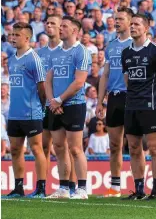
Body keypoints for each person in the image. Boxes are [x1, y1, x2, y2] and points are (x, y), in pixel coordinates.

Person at [121, 14, 156, 200]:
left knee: (154, 148)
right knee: (134, 148)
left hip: (151, 106)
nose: (132, 27)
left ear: (146, 28)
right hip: (131, 106)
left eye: (136, 24)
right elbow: (127, 80)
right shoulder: (125, 52)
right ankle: (139, 190)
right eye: (131, 23)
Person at [46, 16, 91, 199]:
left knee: (75, 148)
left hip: (74, 105)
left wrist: (59, 99)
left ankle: (81, 188)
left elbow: (79, 82)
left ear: (74, 30)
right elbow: (48, 79)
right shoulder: (54, 53)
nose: (60, 28)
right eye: (61, 25)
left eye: (64, 26)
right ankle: (63, 188)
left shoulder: (82, 51)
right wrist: (52, 101)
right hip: (56, 106)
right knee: (58, 146)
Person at [4, 23, 47, 198]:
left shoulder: (33, 59)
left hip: (31, 112)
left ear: (27, 38)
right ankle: (18, 187)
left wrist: (41, 107)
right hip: (14, 113)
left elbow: (42, 87)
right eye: (12, 34)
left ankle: (41, 188)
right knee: (15, 149)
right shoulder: (12, 58)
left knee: (37, 149)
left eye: (17, 35)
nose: (13, 38)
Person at [96, 7, 134, 197]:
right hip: (114, 97)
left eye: (120, 19)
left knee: (135, 144)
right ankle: (116, 187)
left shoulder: (137, 44)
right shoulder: (111, 45)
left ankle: (140, 185)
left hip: (133, 96)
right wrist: (100, 101)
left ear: (130, 21)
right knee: (115, 145)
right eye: (115, 19)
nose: (116, 22)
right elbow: (105, 75)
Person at [38, 15, 77, 196]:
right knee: (44, 146)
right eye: (47, 23)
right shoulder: (39, 53)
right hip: (44, 105)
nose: (50, 26)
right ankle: (41, 187)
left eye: (54, 23)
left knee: (68, 146)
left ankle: (72, 185)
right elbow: (39, 82)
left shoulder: (68, 51)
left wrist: (58, 101)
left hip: (62, 103)